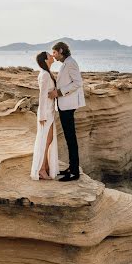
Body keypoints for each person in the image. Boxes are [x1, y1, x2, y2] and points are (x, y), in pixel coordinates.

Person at [49, 41, 85, 182]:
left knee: (71, 139)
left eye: (55, 52)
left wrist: (59, 92)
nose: (54, 55)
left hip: (68, 105)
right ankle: (72, 167)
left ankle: (74, 172)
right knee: (69, 138)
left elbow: (77, 83)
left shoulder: (71, 63)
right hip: (65, 105)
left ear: (61, 50)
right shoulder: (66, 63)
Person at [30, 51, 59, 181]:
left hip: (50, 111)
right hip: (45, 113)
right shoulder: (45, 75)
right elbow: (42, 96)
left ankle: (46, 166)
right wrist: (41, 115)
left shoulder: (47, 73)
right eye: (50, 55)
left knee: (49, 140)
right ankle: (41, 170)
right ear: (46, 59)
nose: (52, 56)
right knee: (44, 141)